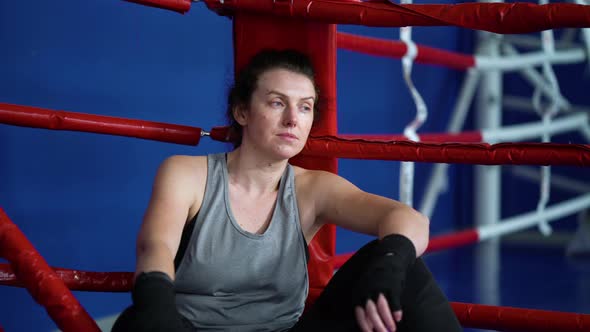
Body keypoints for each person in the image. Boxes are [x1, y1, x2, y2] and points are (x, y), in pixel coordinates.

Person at [112, 49, 462, 332]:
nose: (293, 119)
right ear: (242, 111)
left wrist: (391, 266)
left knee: (404, 266)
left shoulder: (312, 189)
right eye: (277, 102)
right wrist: (156, 309)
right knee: (139, 321)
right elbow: (155, 246)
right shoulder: (188, 174)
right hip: (189, 327)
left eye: (305, 106)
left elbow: (407, 218)